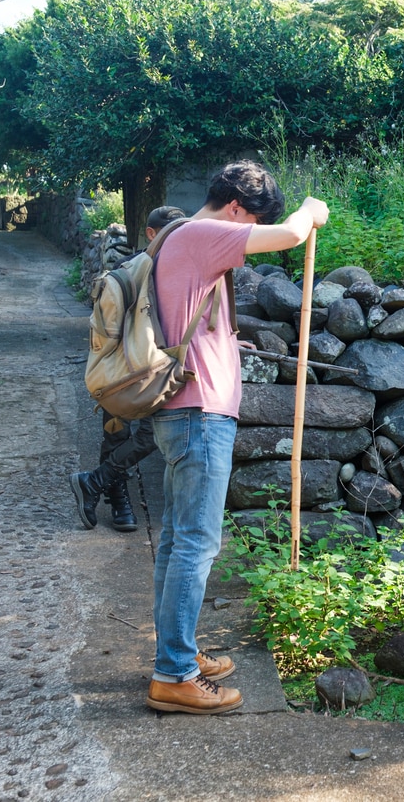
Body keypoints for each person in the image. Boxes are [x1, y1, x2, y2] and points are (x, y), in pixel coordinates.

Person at [144, 161, 327, 715]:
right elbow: (292, 234)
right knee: (197, 543)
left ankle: (177, 654)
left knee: (178, 541)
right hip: (200, 415)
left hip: (184, 411)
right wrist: (310, 213)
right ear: (236, 209)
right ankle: (173, 675)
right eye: (250, 220)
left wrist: (227, 347)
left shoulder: (176, 239)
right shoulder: (202, 233)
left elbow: (190, 324)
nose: (245, 232)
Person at [70, 206, 189, 533]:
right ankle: (118, 496)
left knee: (152, 435)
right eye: (170, 231)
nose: (178, 238)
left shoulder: (179, 269)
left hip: (160, 369)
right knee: (116, 433)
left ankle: (96, 481)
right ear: (152, 233)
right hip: (123, 369)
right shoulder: (129, 271)